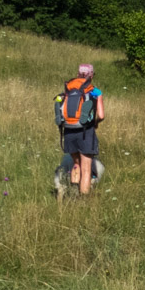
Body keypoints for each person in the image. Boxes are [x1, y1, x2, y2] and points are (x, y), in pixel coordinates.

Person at [59, 64, 104, 198]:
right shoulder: (95, 91)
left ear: (78, 74)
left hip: (68, 131)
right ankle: (83, 200)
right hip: (86, 132)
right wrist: (96, 123)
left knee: (76, 164)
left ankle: (73, 195)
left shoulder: (69, 88)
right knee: (86, 169)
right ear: (91, 75)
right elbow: (101, 115)